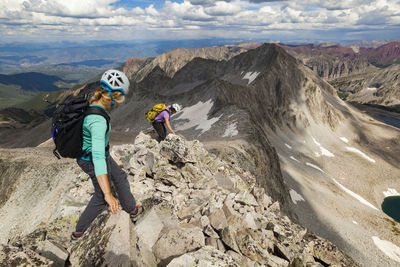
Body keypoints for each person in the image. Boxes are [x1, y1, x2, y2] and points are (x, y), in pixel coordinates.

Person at [71, 69, 142, 241]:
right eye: (120, 97)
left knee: (120, 176)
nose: (120, 102)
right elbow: (97, 159)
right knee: (101, 197)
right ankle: (78, 233)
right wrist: (108, 194)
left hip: (96, 153)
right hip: (92, 158)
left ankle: (131, 208)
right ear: (114, 96)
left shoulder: (92, 100)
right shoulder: (98, 121)